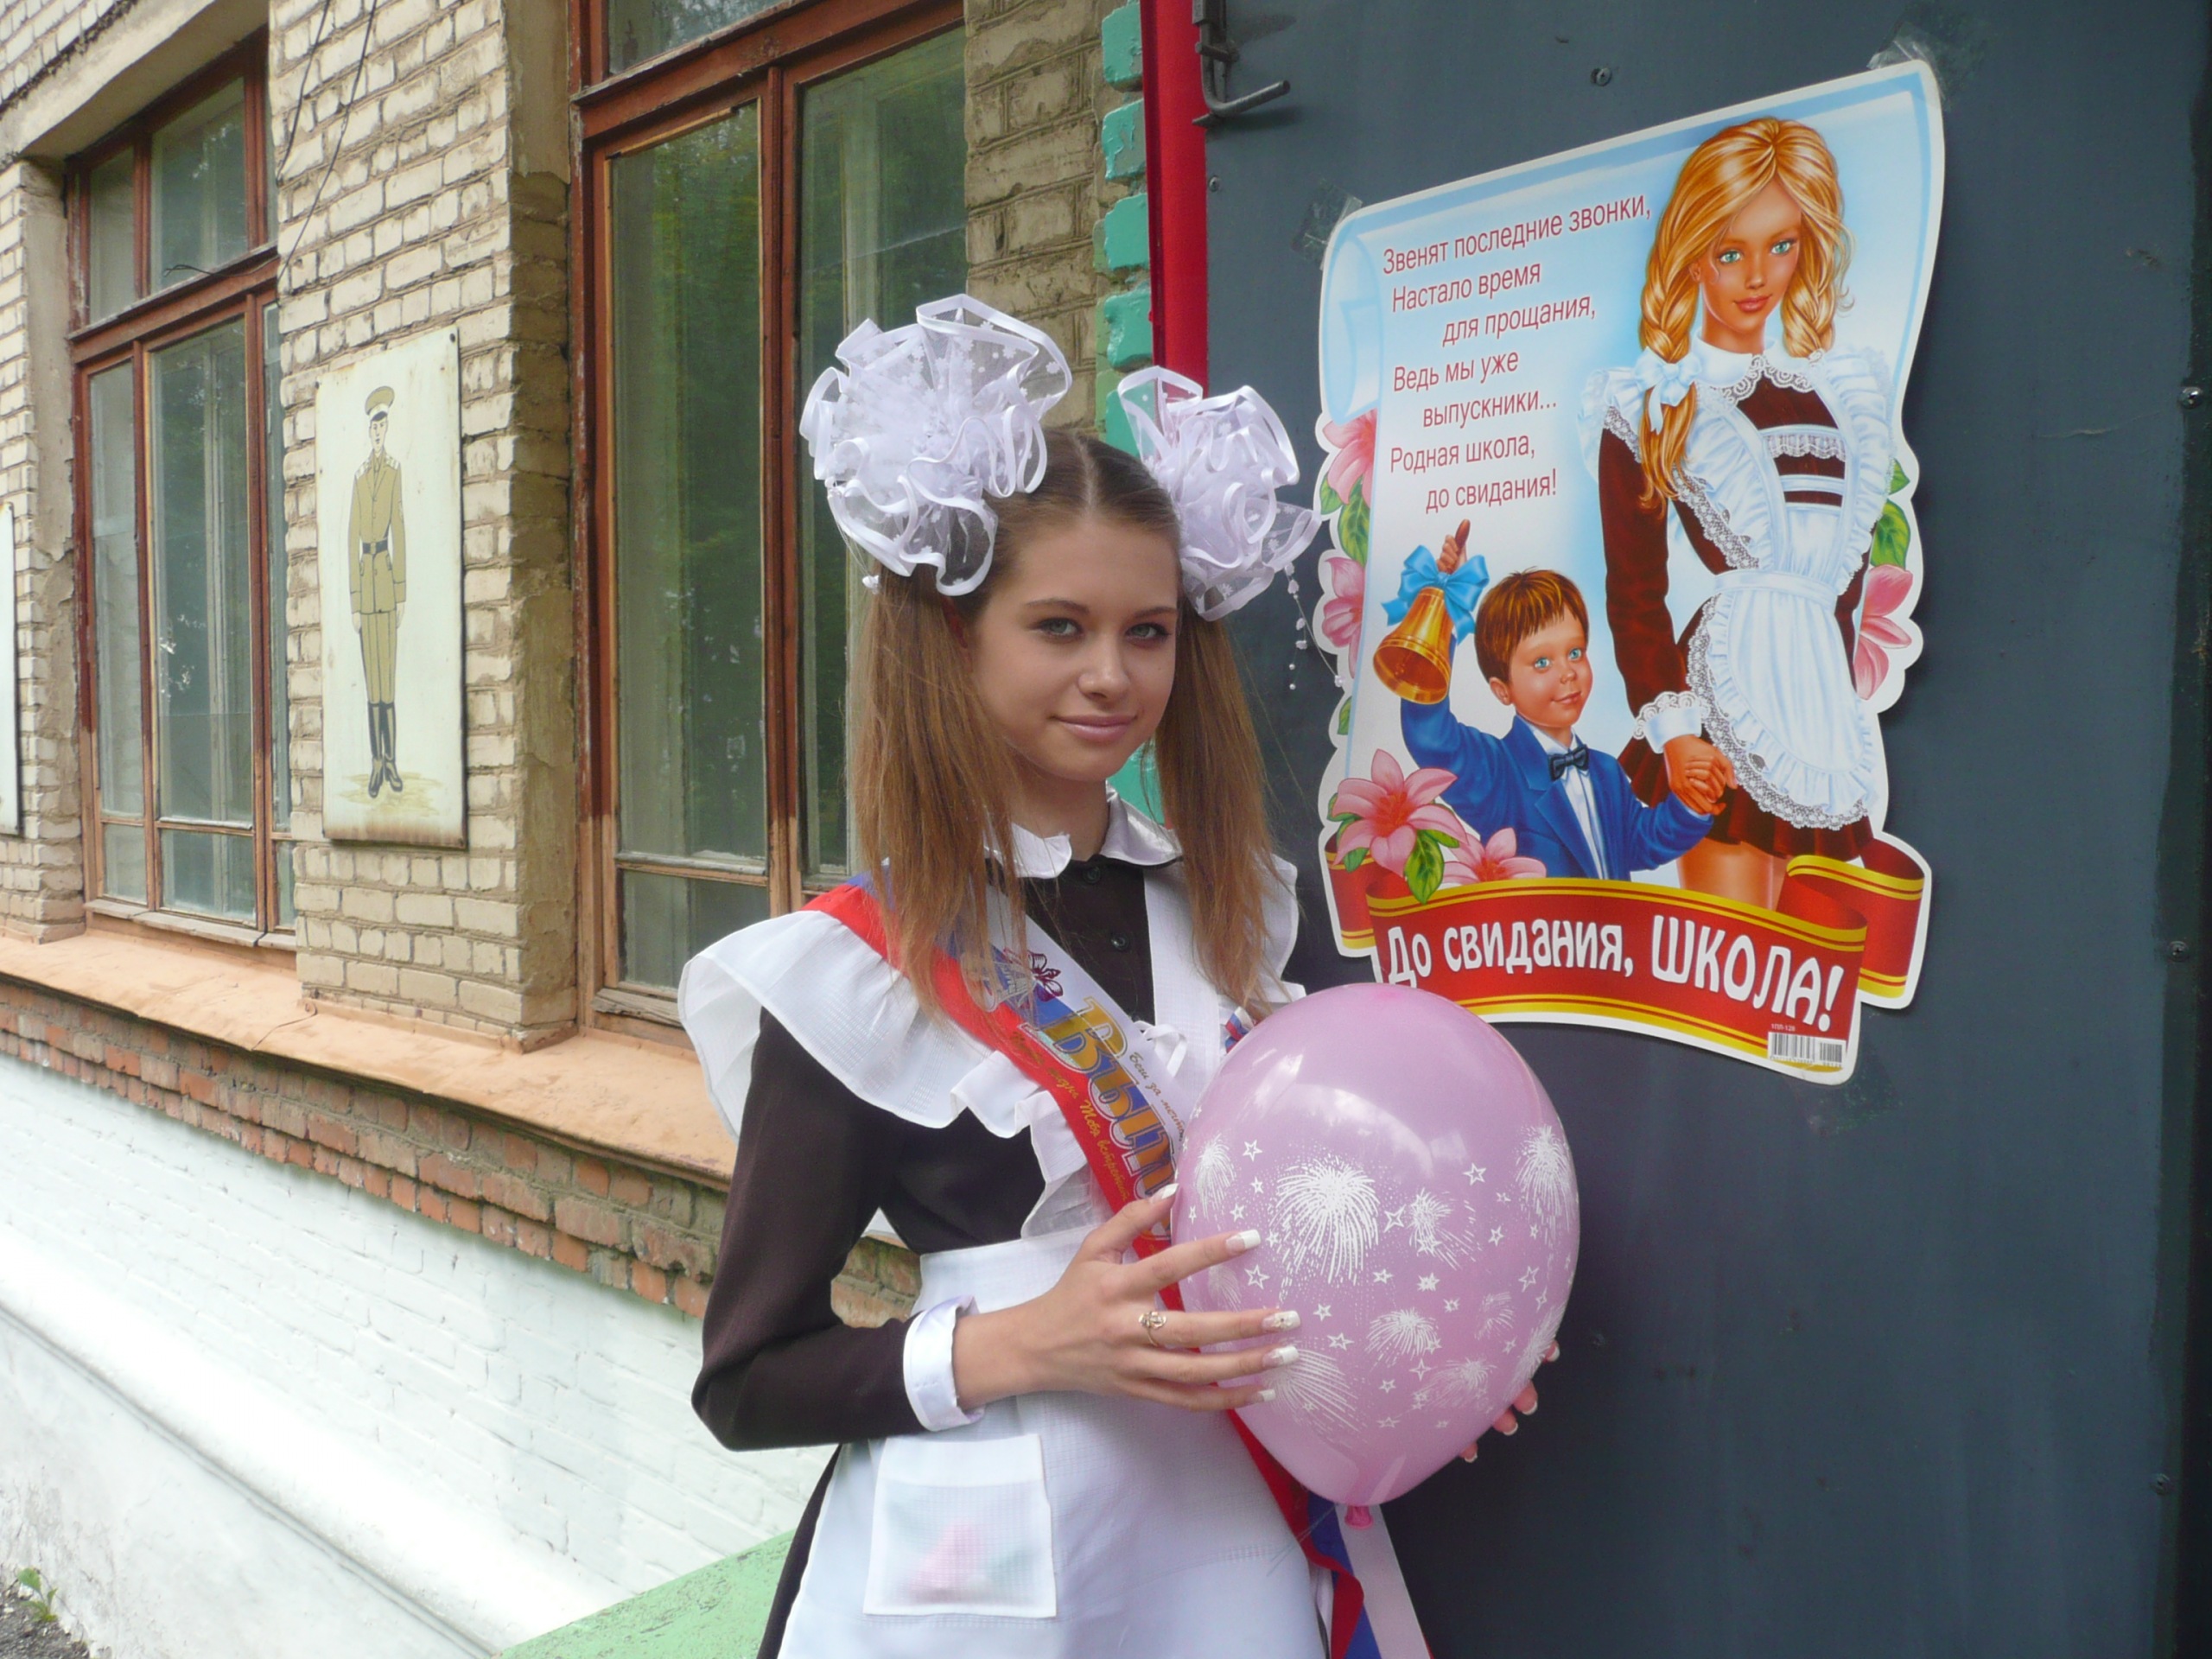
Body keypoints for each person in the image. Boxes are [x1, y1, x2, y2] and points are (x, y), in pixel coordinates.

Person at [677, 298, 1545, 1659]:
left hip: (1230, 1547)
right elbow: (746, 1381)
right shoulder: (860, 970)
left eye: (1148, 632)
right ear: (953, 637)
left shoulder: (1231, 915)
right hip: (992, 1585)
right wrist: (1024, 1343)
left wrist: (1420, 1346)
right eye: (1059, 626)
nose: (1111, 676)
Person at [1583, 116, 1896, 909]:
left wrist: (1838, 697)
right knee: (1729, 948)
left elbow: (1848, 588)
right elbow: (1635, 591)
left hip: (1818, 710)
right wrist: (1675, 732)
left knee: (1796, 956)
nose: (1758, 276)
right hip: (1724, 693)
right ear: (1691, 256)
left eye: (1781, 246)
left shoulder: (1843, 398)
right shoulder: (1654, 403)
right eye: (1730, 253)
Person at [1400, 563, 1713, 880]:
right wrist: (1444, 608)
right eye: (1542, 662)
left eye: (1575, 653)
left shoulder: (1606, 771)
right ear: (1502, 690)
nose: (1567, 673)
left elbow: (1641, 842)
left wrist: (1692, 804)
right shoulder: (1497, 771)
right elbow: (1430, 736)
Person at [347, 385, 408, 798]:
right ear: (368, 429)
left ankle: (391, 761)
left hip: (385, 582)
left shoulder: (393, 471)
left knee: (388, 680)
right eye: (373, 425)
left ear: (387, 428)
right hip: (366, 586)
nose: (377, 431)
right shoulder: (359, 476)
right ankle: (375, 762)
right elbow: (352, 536)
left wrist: (401, 591)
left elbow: (398, 527)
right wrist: (354, 600)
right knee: (372, 683)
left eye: (382, 424)